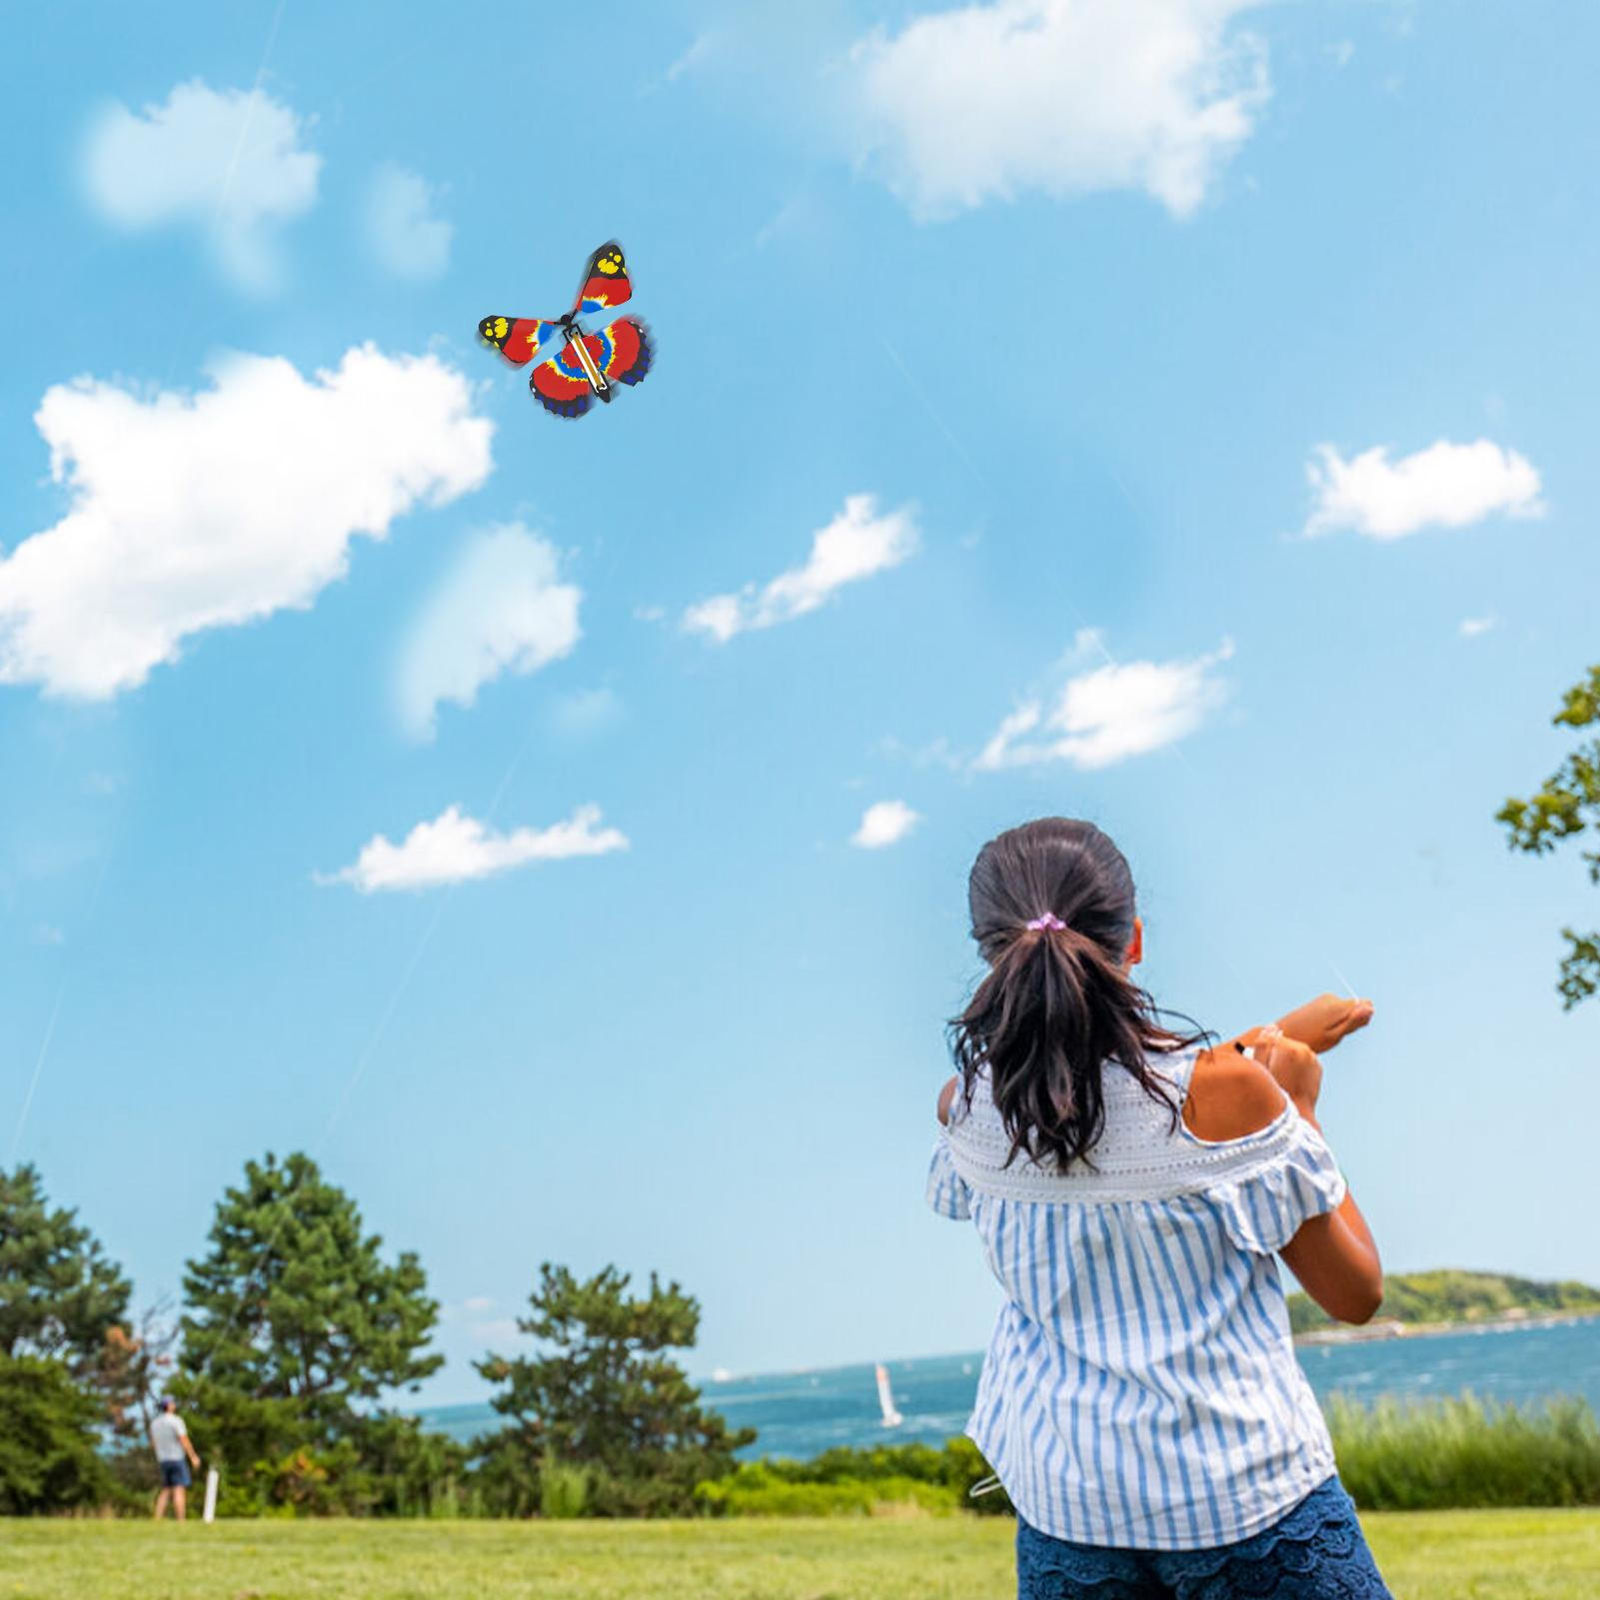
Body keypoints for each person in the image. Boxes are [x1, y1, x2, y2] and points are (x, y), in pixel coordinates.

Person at [927, 818, 1391, 1599]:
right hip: (1247, 1508)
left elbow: (1119, 1106)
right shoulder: (1234, 1098)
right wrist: (1300, 1112)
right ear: (1133, 939)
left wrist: (1265, 1041)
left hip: (1070, 1515)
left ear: (989, 951)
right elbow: (1356, 1295)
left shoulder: (967, 1109)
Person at [149, 1396, 202, 1521]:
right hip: (177, 1458)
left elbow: (153, 1443)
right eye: (172, 1402)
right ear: (168, 1405)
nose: (174, 1404)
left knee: (166, 1489)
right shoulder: (176, 1421)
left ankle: (157, 1519)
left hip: (163, 1459)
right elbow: (183, 1439)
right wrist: (193, 1457)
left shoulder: (154, 1423)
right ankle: (181, 1520)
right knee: (179, 1489)